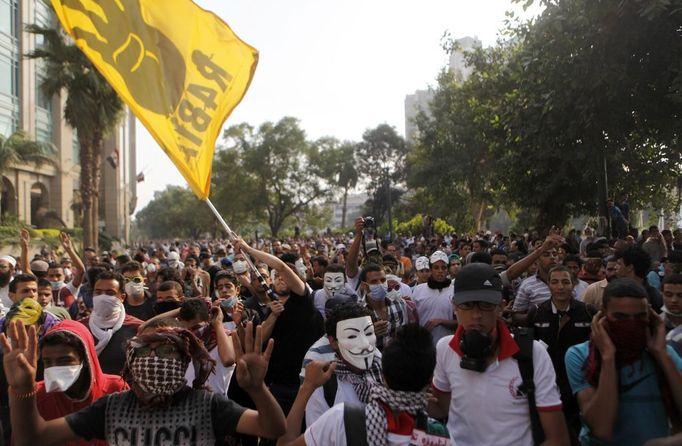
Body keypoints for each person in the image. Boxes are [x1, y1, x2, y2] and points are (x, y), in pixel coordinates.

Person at [1, 320, 286, 444]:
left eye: (165, 352)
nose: (154, 360)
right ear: (131, 364)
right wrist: (22, 388)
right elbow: (32, 438)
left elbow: (272, 428)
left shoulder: (206, 405)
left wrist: (257, 389)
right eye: (144, 353)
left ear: (183, 362)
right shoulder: (112, 408)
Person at [428, 263, 569, 445]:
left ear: (500, 307)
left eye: (486, 305)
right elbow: (440, 409)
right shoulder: (445, 348)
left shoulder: (533, 354)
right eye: (467, 305)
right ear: (455, 306)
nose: (476, 315)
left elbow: (558, 439)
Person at [278, 324, 442, 446]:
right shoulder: (438, 436)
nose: (363, 345)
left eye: (368, 333)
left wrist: (306, 388)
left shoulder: (341, 419)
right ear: (430, 380)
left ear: (383, 373)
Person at [565, 279, 682, 445]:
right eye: (621, 317)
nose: (631, 324)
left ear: (650, 316)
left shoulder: (662, 355)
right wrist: (608, 357)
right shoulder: (581, 355)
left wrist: (662, 354)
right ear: (603, 315)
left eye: (639, 317)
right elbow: (601, 428)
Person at [32, 320, 129, 446]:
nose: (55, 368)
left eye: (65, 360)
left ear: (85, 359)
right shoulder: (37, 395)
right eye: (48, 362)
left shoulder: (115, 389)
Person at [529, 265, 593, 441]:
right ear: (548, 284)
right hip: (548, 384)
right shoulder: (536, 313)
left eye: (565, 282)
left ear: (573, 284)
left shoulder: (587, 311)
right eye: (555, 282)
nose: (560, 287)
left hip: (580, 385)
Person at [304, 302, 382, 425]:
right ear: (333, 342)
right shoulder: (324, 388)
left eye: (368, 333)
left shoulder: (386, 373)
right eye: (351, 336)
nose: (365, 345)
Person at [80, 271, 143, 375]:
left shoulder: (137, 328)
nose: (103, 297)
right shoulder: (80, 328)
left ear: (122, 297)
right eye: (98, 292)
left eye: (110, 293)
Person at [412, 251, 457, 345]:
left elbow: (461, 323)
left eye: (443, 267)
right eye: (436, 267)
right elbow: (413, 320)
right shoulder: (418, 290)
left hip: (448, 345)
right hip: (424, 345)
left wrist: (441, 321)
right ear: (431, 269)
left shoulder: (455, 291)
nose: (440, 271)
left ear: (447, 270)